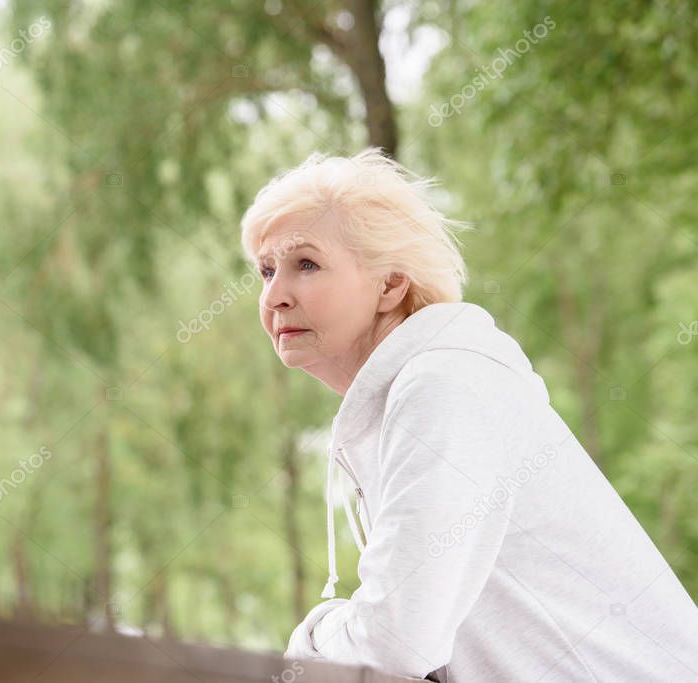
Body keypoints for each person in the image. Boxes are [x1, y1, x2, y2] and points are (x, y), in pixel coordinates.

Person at [239, 148, 698, 681]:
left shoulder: (444, 386)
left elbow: (394, 640)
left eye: (306, 264)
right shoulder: (421, 389)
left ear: (391, 285)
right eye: (266, 271)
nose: (274, 296)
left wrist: (314, 633)